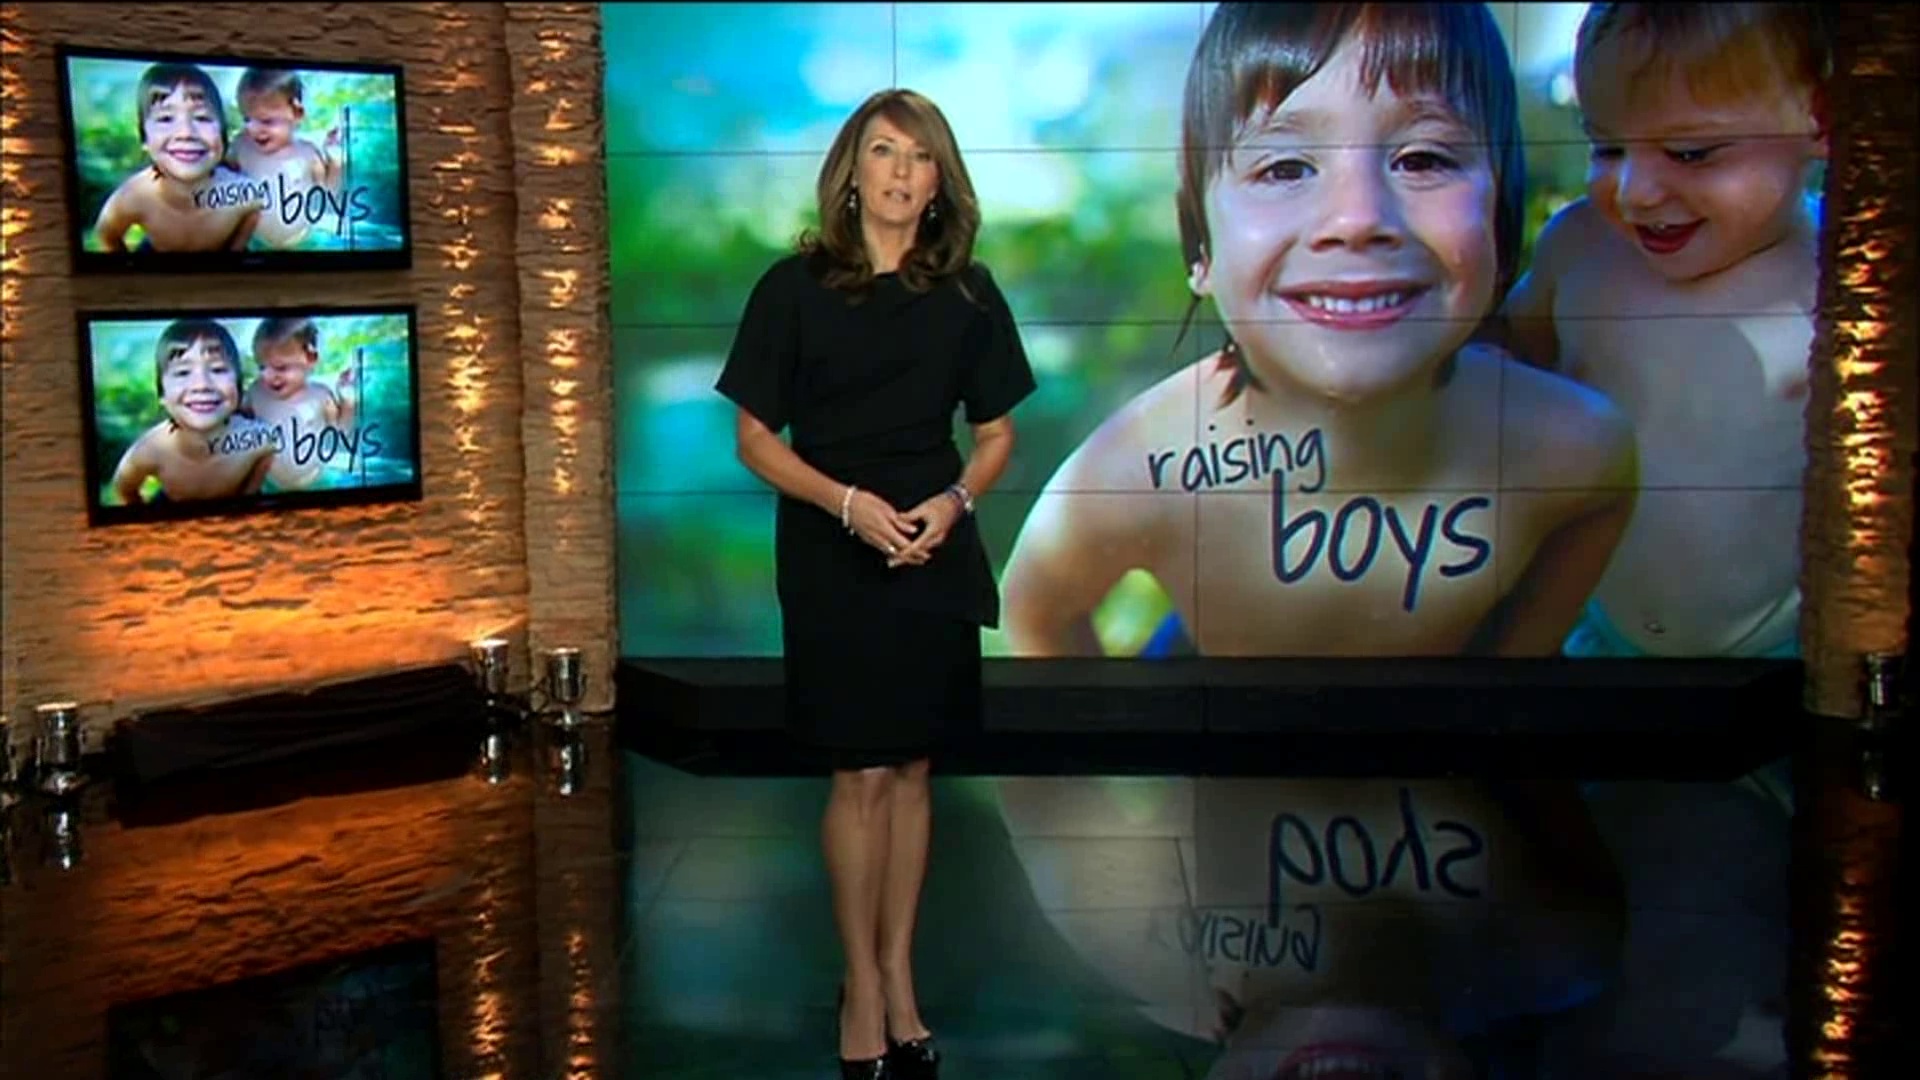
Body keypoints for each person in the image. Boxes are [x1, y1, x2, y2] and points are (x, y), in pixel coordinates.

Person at [1000, 2, 1637, 659]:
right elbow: (1035, 610)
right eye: (1284, 168)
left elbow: (1597, 502)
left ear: (1501, 220)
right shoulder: (1140, 468)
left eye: (1422, 159)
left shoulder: (1575, 449)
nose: (1357, 218)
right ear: (1201, 249)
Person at [715, 88, 1037, 1078]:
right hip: (833, 548)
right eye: (884, 152)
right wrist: (845, 504)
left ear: (941, 181)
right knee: (859, 772)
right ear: (852, 171)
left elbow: (996, 436)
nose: (901, 172)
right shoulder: (793, 288)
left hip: (931, 550)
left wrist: (955, 502)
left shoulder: (969, 294)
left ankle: (900, 974)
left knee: (912, 772)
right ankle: (860, 982)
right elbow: (755, 439)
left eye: (920, 156)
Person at [1501, 3, 1828, 658]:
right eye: (1608, 147)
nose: (1635, 191)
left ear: (1821, 120)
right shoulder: (1580, 250)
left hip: (1782, 652)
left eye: (1689, 153)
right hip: (1600, 631)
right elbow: (1505, 362)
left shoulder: (1839, 273)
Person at [92, 63, 260, 253]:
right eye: (165, 119)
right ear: (144, 138)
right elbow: (107, 233)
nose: (185, 133)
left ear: (223, 135)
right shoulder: (136, 196)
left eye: (202, 118)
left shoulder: (244, 194)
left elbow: (252, 214)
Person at [107, 318, 276, 504]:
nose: (201, 385)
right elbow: (124, 488)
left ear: (238, 386)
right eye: (182, 372)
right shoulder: (151, 449)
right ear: (162, 394)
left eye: (217, 369)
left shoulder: (260, 439)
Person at [232, 68, 342, 249]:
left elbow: (326, 198)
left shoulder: (307, 154)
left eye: (266, 121)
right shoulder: (241, 146)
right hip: (256, 242)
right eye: (247, 119)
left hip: (301, 241)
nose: (253, 129)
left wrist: (335, 164)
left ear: (297, 113)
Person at [244, 316, 358, 491]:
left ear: (311, 358)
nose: (268, 376)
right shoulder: (256, 392)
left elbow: (340, 435)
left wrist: (348, 402)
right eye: (262, 367)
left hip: (315, 483)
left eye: (281, 367)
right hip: (270, 484)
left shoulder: (320, 396)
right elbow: (240, 425)